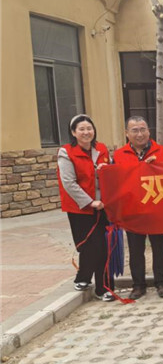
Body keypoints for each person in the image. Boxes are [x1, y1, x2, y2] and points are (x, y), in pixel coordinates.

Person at [113, 116, 163, 299]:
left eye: (143, 129)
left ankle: (162, 282)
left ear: (149, 131)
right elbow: (115, 181)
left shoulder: (162, 151)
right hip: (132, 210)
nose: (140, 134)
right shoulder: (118, 155)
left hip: (156, 208)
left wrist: (157, 167)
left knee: (159, 247)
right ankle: (138, 284)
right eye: (135, 130)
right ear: (127, 133)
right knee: (135, 249)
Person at [57, 114, 114, 302]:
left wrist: (107, 169)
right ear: (73, 132)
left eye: (89, 128)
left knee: (102, 246)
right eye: (81, 129)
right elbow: (69, 182)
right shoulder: (66, 153)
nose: (86, 132)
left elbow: (112, 173)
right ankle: (83, 277)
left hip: (103, 207)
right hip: (80, 209)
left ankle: (103, 288)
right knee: (89, 246)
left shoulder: (101, 149)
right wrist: (90, 202)